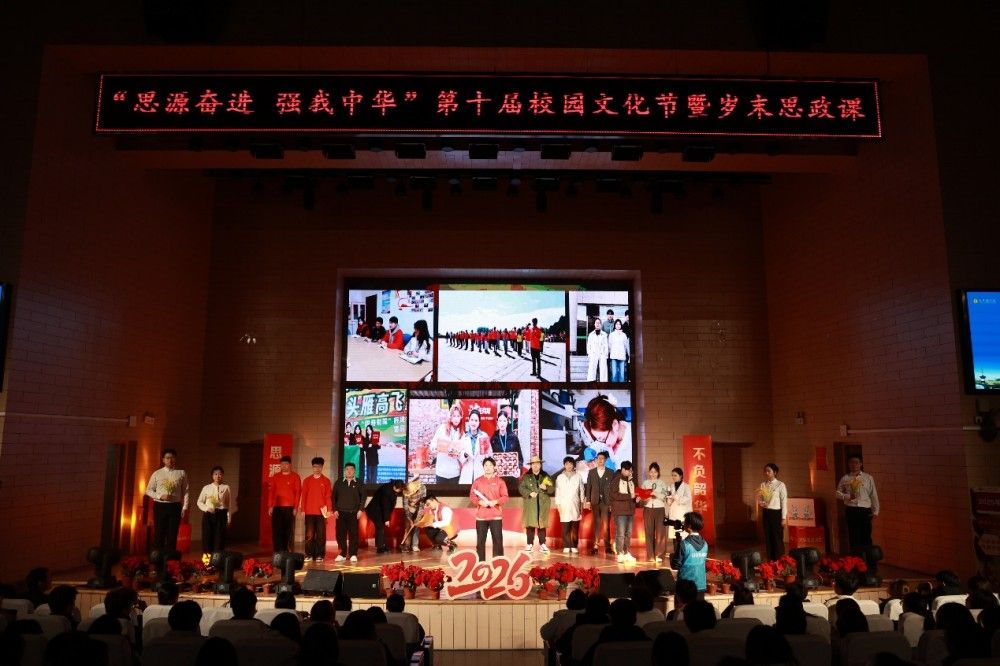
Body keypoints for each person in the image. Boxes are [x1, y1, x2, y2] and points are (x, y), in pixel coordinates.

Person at [146, 448, 190, 551]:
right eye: (167, 458)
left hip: (175, 506)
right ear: (163, 460)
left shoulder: (181, 473)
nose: (170, 460)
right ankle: (158, 557)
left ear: (175, 459)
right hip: (160, 506)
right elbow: (148, 490)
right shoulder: (157, 473)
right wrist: (160, 496)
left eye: (172, 458)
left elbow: (186, 491)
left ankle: (170, 559)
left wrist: (185, 507)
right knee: (159, 533)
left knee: (172, 534)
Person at [835, 455, 879, 550]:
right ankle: (856, 558)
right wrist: (847, 496)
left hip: (865, 510)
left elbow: (873, 494)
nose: (854, 465)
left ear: (860, 464)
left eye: (856, 462)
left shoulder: (868, 477)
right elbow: (837, 493)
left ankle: (867, 558)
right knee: (853, 536)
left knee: (866, 536)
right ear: (848, 464)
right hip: (851, 510)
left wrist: (876, 511)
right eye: (851, 462)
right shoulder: (845, 478)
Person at [470, 457, 508, 561]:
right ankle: (481, 563)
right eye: (486, 465)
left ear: (494, 467)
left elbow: (505, 497)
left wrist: (495, 501)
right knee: (480, 542)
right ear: (483, 467)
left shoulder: (500, 481)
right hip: (481, 517)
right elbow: (472, 496)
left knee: (498, 542)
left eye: (490, 465)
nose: (488, 467)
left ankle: (498, 563)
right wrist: (480, 502)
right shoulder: (477, 481)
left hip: (496, 516)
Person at [581, 395, 632, 470]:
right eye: (597, 439)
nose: (602, 443)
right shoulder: (610, 436)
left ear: (614, 425)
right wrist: (591, 450)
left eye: (603, 439)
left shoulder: (633, 444)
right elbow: (599, 444)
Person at [197, 465, 236, 555]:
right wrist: (207, 508)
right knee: (207, 537)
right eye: (215, 474)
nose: (218, 476)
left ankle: (218, 558)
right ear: (212, 475)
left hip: (221, 514)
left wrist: (229, 518)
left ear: (222, 475)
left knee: (219, 538)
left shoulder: (226, 487)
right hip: (209, 515)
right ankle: (207, 559)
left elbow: (228, 504)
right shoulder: (206, 488)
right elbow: (199, 502)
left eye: (220, 474)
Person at [300, 457, 332, 563]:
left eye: (319, 467)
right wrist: (303, 509)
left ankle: (319, 555)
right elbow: (303, 496)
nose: (317, 469)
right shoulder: (307, 480)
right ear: (312, 467)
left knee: (321, 535)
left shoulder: (326, 481)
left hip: (321, 513)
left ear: (322, 467)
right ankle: (309, 554)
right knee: (309, 535)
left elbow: (328, 497)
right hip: (309, 512)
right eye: (315, 467)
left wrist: (329, 510)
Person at [520, 456, 554, 553]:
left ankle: (543, 544)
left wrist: (545, 488)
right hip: (531, 503)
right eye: (533, 464)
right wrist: (529, 493)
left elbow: (552, 488)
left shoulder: (545, 476)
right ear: (531, 465)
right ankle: (529, 544)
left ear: (540, 465)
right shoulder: (526, 476)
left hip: (542, 504)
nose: (535, 465)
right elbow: (521, 488)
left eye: (537, 463)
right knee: (530, 524)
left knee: (541, 524)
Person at [333, 462, 365, 562]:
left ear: (354, 471)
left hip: (354, 513)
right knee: (340, 534)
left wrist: (360, 510)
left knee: (353, 534)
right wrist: (335, 509)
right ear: (344, 471)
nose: (349, 471)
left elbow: (363, 497)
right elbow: (333, 497)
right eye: (347, 469)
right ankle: (342, 553)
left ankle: (353, 554)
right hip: (340, 513)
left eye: (351, 469)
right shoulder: (339, 482)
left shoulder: (359, 482)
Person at [268, 455, 301, 553]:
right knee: (277, 530)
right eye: (282, 464)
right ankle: (278, 551)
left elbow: (298, 493)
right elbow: (271, 492)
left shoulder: (295, 476)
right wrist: (270, 506)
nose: (284, 466)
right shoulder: (276, 476)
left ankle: (286, 550)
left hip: (289, 508)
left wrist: (295, 507)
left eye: (286, 464)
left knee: (288, 530)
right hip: (277, 507)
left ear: (290, 465)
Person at [585, 451, 614, 555]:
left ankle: (608, 547)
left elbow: (613, 489)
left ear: (605, 460)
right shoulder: (591, 472)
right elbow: (588, 487)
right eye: (598, 458)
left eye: (602, 458)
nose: (600, 460)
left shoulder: (611, 472)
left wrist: (612, 503)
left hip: (606, 502)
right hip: (595, 501)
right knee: (596, 524)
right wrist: (588, 501)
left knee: (606, 525)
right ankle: (595, 546)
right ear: (596, 460)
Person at [555, 456, 585, 553]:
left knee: (574, 526)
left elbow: (582, 490)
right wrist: (558, 505)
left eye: (571, 464)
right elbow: (557, 492)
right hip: (564, 504)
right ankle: (567, 545)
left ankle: (574, 545)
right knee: (566, 526)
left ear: (573, 465)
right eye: (567, 464)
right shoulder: (560, 477)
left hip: (575, 503)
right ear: (564, 465)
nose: (569, 466)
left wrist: (581, 503)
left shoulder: (578, 476)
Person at [758, 462, 788, 560]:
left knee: (777, 537)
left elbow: (784, 501)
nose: (766, 473)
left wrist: (783, 518)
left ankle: (780, 560)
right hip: (766, 513)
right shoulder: (763, 485)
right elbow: (760, 499)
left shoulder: (780, 485)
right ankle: (770, 560)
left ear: (775, 472)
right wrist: (763, 503)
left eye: (769, 471)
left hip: (776, 513)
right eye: (765, 471)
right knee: (768, 537)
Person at [366, 479, 405, 554]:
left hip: (380, 511)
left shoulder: (391, 488)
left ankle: (381, 545)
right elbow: (385, 506)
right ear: (395, 487)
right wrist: (386, 519)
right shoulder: (386, 490)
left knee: (380, 528)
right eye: (399, 489)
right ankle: (380, 548)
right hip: (375, 511)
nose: (400, 491)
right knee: (380, 528)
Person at [642, 462, 670, 563]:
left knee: (660, 533)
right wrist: (645, 497)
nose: (653, 474)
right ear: (649, 472)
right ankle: (650, 555)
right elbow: (642, 496)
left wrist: (655, 493)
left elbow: (665, 495)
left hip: (659, 508)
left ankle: (659, 555)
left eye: (655, 472)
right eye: (651, 472)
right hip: (648, 508)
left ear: (658, 473)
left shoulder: (662, 483)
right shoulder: (645, 483)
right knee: (648, 532)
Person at [611, 461, 638, 562]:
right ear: (623, 469)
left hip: (630, 511)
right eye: (628, 470)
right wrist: (629, 496)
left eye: (631, 470)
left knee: (628, 533)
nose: (630, 472)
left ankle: (626, 552)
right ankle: (620, 553)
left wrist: (636, 499)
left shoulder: (631, 481)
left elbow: (634, 494)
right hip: (620, 511)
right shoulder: (616, 480)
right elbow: (614, 495)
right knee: (621, 533)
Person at [433, 403, 468, 485]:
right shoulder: (442, 428)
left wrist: (460, 455)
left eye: (458, 416)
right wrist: (437, 448)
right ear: (450, 417)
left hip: (454, 473)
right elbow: (433, 445)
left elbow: (462, 457)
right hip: (441, 472)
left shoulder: (462, 434)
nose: (456, 418)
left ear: (461, 417)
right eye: (454, 416)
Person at [676, 511, 708, 593]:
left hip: (685, 586)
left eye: (684, 522)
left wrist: (675, 553)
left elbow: (675, 565)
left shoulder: (684, 544)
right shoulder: (705, 544)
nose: (683, 524)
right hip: (701, 585)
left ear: (689, 526)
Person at [458, 409, 491, 484]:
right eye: (472, 420)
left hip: (480, 471)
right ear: (469, 421)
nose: (473, 423)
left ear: (479, 422)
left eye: (476, 420)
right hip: (467, 473)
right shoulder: (464, 437)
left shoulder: (484, 436)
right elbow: (460, 458)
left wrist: (486, 452)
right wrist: (465, 455)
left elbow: (489, 455)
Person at [666, 467, 692, 540]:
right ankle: (675, 547)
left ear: (680, 476)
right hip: (673, 512)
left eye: (675, 475)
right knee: (674, 534)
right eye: (672, 475)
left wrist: (676, 497)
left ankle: (683, 547)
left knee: (682, 534)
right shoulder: (671, 486)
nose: (673, 477)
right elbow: (669, 502)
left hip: (682, 512)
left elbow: (687, 499)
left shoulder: (686, 486)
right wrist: (668, 499)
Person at [402, 479, 427, 552]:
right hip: (409, 508)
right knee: (407, 527)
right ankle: (406, 546)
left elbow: (422, 505)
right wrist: (409, 519)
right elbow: (405, 506)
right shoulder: (405, 490)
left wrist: (417, 519)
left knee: (416, 527)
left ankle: (415, 546)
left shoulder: (422, 488)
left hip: (418, 508)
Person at [585, 317, 608, 382]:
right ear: (594, 324)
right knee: (592, 369)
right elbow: (588, 345)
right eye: (596, 323)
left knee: (603, 370)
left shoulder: (604, 334)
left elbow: (606, 345)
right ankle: (591, 382)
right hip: (593, 353)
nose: (598, 324)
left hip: (602, 353)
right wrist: (590, 354)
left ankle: (603, 383)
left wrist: (605, 355)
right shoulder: (591, 334)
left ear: (601, 324)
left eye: (599, 323)